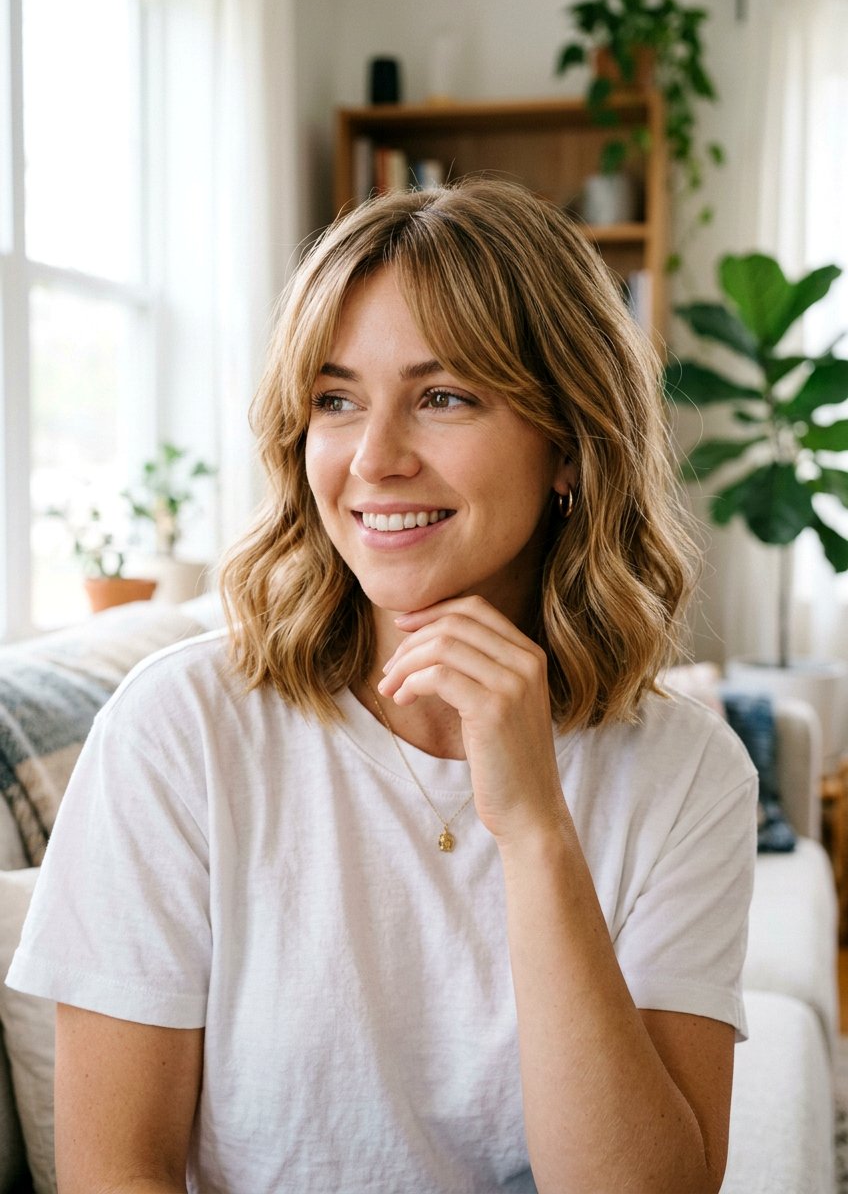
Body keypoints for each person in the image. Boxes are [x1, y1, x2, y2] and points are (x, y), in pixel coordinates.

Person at [8, 178, 757, 1194]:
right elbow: (113, 1173)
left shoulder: (683, 769)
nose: (372, 459)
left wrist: (534, 827)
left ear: (569, 448)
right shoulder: (177, 727)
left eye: (442, 396)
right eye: (334, 399)